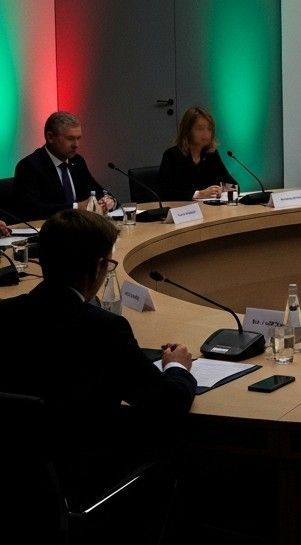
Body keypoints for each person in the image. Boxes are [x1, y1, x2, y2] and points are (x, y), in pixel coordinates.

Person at [0, 209, 196, 504]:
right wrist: (178, 367)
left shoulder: (5, 314)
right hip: (89, 483)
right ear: (98, 266)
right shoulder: (104, 329)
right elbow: (167, 403)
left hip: (17, 483)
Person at [14, 111, 115, 219]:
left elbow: (96, 191)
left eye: (78, 138)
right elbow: (31, 210)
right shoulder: (29, 166)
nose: (76, 145)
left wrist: (109, 201)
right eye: (70, 139)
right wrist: (75, 207)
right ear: (50, 137)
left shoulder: (77, 161)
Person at [158, 105, 231, 201]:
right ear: (188, 130)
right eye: (200, 129)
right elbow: (164, 192)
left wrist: (222, 190)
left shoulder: (211, 155)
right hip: (183, 211)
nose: (206, 134)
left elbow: (233, 185)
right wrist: (198, 194)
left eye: (209, 129)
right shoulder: (172, 155)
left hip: (209, 210)